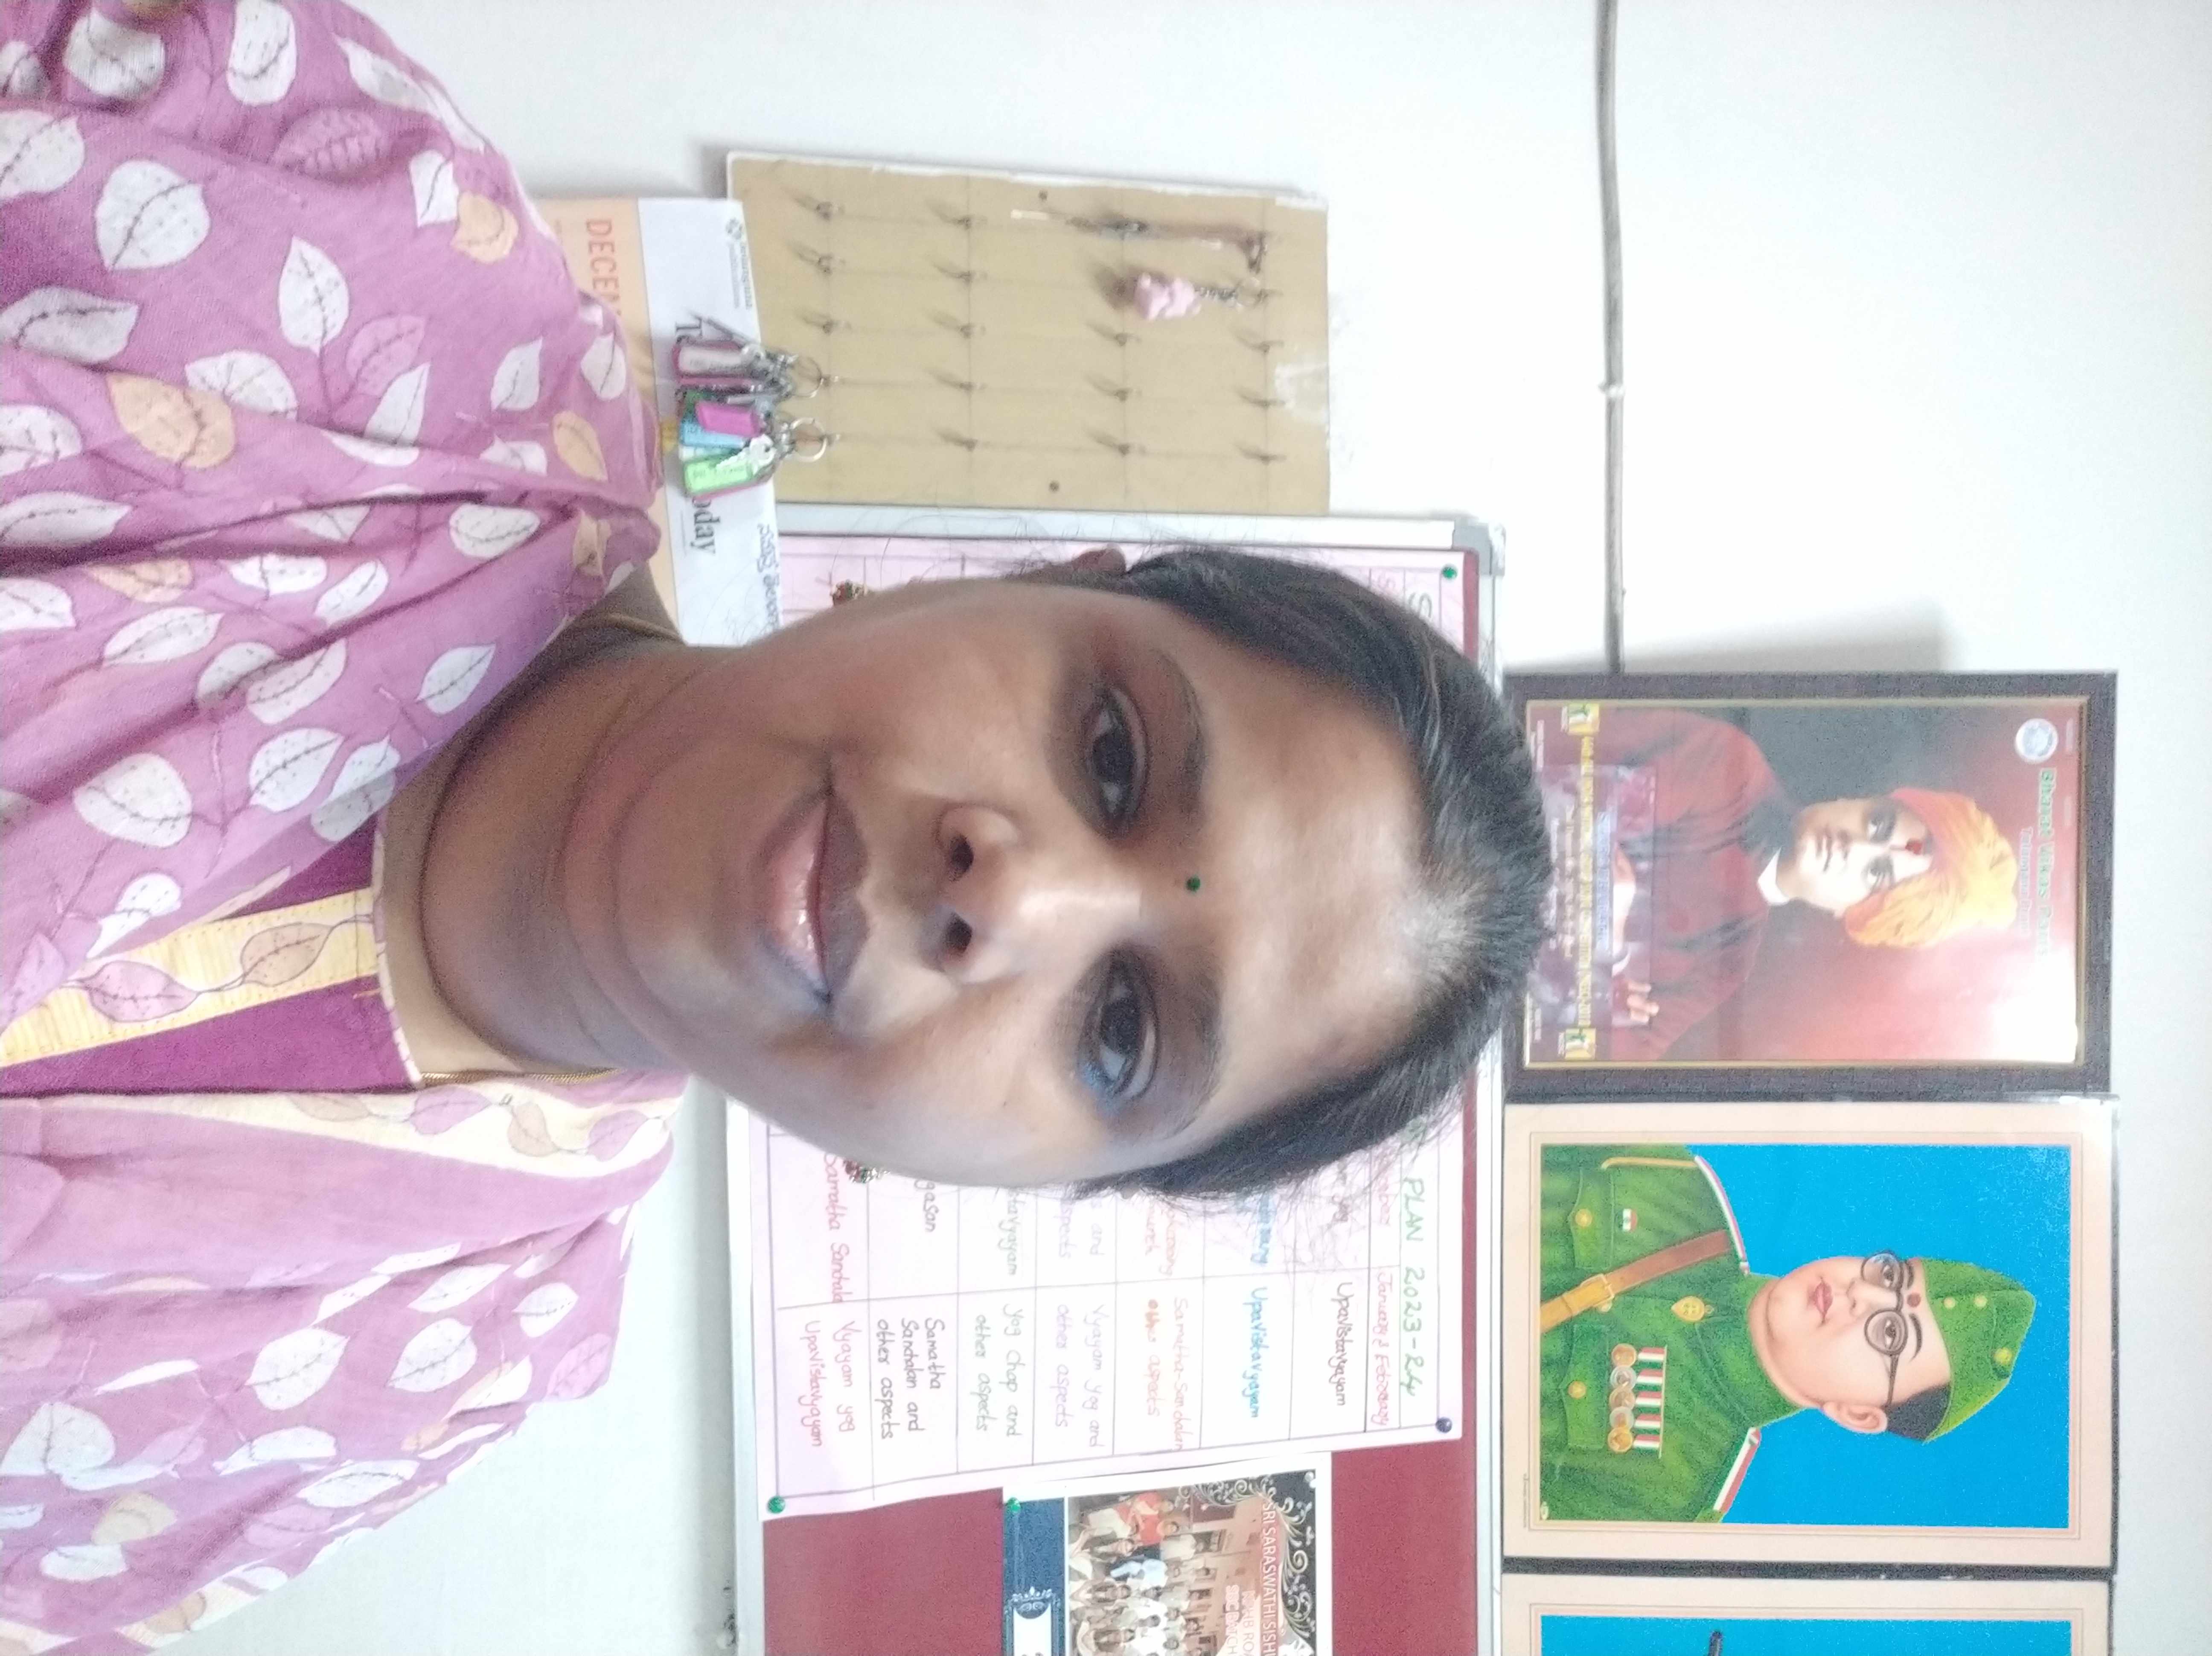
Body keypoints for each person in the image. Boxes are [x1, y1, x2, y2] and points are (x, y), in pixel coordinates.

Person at [0, 5, 1548, 1646]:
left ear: (1019, 1180)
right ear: (1034, 578)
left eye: (1118, 1034)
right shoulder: (368, 274)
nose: (1012, 897)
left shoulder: (422, 1366)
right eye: (1109, 751)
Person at [1536, 1143, 2036, 1523]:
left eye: (1890, 1333)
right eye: (1889, 1275)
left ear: (1858, 1414)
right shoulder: (1677, 1186)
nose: (1861, 1293)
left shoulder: (1679, 1496)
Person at [1572, 705, 2019, 1060]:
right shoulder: (1730, 767)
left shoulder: (1730, 956)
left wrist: (1610, 952)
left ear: (1854, 914)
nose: (1855, 845)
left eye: (1876, 874)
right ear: (1857, 800)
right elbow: (1570, 776)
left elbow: (1603, 1061)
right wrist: (1602, 957)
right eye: (1879, 824)